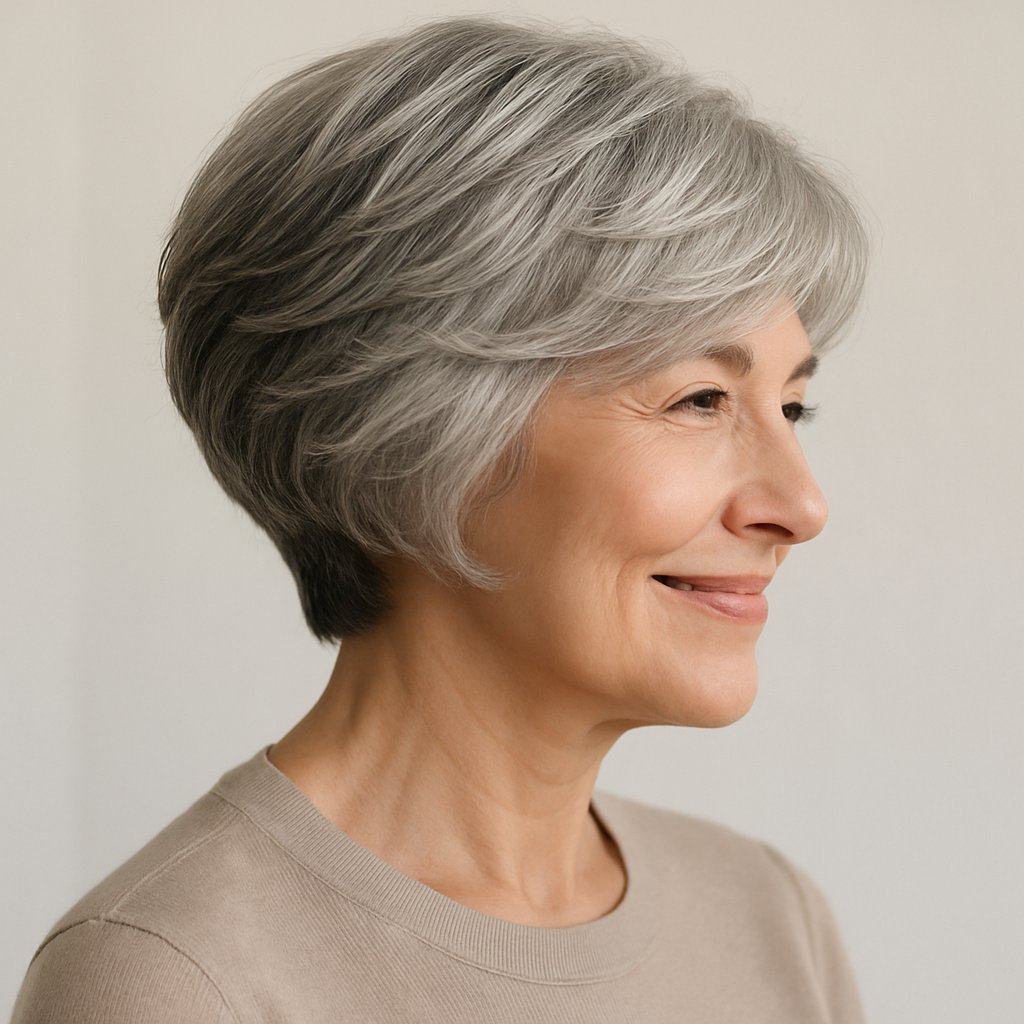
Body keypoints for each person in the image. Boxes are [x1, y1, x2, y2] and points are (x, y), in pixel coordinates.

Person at [13, 15, 869, 1023]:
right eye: (699, 401)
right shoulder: (175, 979)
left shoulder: (767, 917)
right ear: (414, 424)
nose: (801, 506)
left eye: (791, 405)